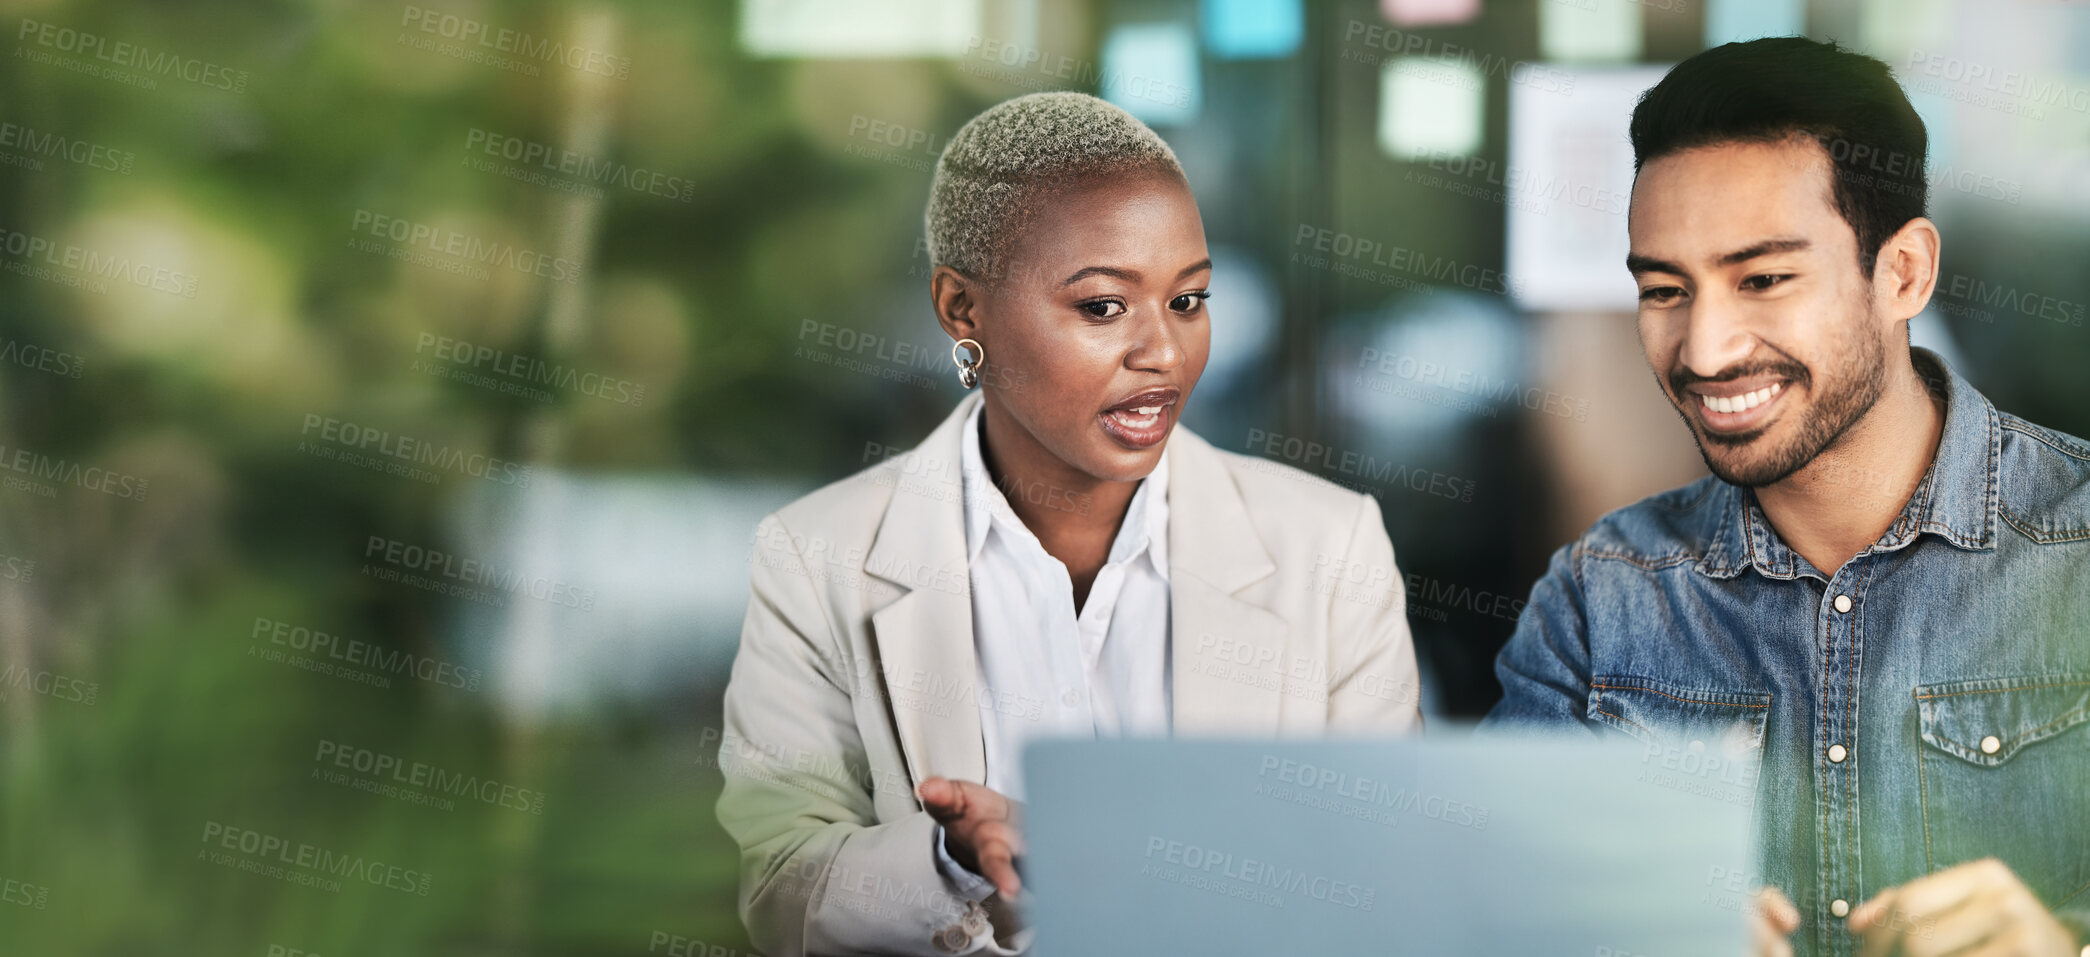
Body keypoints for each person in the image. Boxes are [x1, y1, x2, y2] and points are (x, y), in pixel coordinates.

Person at [717, 91, 1423, 956]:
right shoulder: (817, 555)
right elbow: (783, 888)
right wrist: (950, 858)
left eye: (1189, 302)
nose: (1163, 352)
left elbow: (1388, 883)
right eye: (1103, 307)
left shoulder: (1330, 545)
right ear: (962, 311)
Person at [1486, 37, 2089, 957]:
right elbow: (1482, 917)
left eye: (1762, 279)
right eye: (1665, 289)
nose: (1704, 350)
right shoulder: (1597, 602)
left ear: (1904, 273)